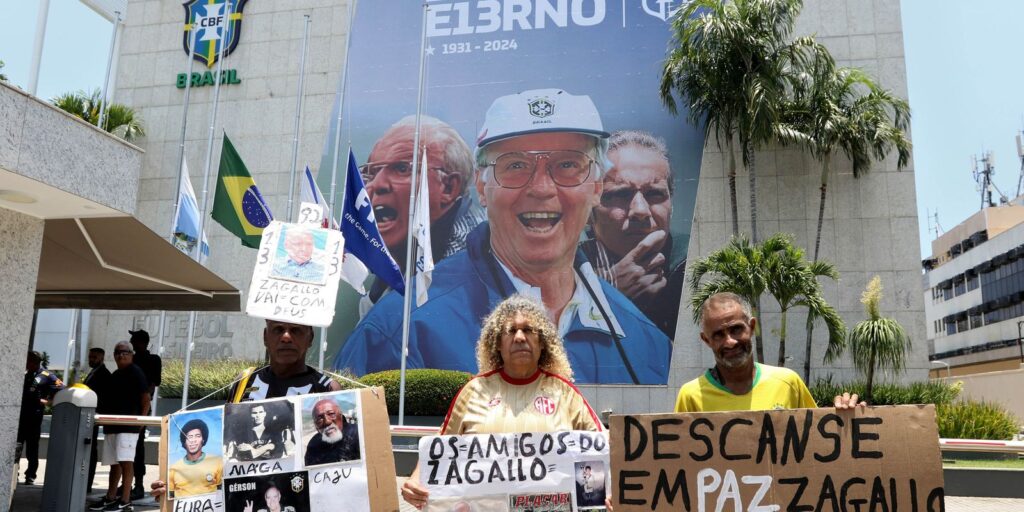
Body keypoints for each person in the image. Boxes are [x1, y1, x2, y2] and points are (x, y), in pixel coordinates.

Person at [338, 89, 671, 385]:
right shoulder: (400, 329)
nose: (542, 188)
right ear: (482, 187)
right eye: (515, 166)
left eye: (568, 165)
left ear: (596, 187)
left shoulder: (647, 346)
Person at [400, 295, 603, 509]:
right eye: (510, 331)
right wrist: (414, 481)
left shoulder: (565, 393)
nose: (519, 337)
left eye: (528, 330)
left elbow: (602, 448)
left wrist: (609, 492)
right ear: (497, 343)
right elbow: (439, 450)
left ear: (542, 342)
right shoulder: (474, 391)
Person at [152, 320, 341, 498]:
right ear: (265, 336)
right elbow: (223, 448)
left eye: (296, 330)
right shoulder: (244, 381)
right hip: (246, 500)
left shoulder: (327, 389)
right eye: (278, 329)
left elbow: (338, 463)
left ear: (310, 337)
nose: (286, 337)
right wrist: (179, 485)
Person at [357, 115, 486, 312]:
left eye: (401, 169)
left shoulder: (475, 271)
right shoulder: (397, 264)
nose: (377, 185)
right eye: (371, 173)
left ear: (449, 187)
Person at [676, 292, 864, 412]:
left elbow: (819, 444)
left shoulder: (788, 383)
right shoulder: (691, 396)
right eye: (718, 335)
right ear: (706, 340)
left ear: (752, 327)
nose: (730, 342)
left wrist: (847, 420)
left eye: (736, 329)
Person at [581, 130, 686, 337]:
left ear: (671, 205)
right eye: (620, 194)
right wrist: (607, 296)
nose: (640, 210)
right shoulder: (561, 271)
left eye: (655, 194)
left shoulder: (696, 266)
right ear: (588, 212)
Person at [89, 341, 150, 511]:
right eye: (117, 352)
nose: (121, 355)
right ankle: (110, 497)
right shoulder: (115, 374)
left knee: (126, 462)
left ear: (131, 354)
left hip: (128, 426)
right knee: (114, 464)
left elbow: (146, 399)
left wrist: (142, 422)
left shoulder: (136, 372)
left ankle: (125, 500)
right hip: (112, 425)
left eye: (125, 352)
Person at [18, 350, 64, 485]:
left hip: (34, 417)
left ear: (34, 362)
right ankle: (14, 471)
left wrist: (48, 401)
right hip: (21, 417)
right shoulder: (26, 374)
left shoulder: (46, 375)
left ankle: (30, 475)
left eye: (28, 361)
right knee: (17, 446)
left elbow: (62, 388)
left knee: (32, 447)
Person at [128, 329, 161, 500]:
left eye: (133, 340)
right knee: (125, 447)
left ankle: (138, 484)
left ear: (141, 342)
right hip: (128, 408)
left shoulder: (152, 360)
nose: (131, 342)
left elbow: (152, 385)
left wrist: (143, 405)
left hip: (140, 408)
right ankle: (126, 484)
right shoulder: (131, 360)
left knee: (137, 447)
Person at [167, 418, 223, 498]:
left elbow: (223, 493)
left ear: (203, 440)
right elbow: (169, 498)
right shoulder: (173, 469)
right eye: (189, 437)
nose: (193, 440)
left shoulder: (218, 462)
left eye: (197, 436)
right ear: (184, 441)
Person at [84, 347, 112, 492]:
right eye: (90, 357)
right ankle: (85, 482)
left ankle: (87, 483)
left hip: (93, 415)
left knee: (90, 450)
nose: (91, 359)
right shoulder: (94, 372)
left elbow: (104, 397)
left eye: (94, 357)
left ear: (101, 358)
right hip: (88, 416)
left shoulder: (103, 374)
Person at [226, 403, 292, 461]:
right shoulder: (243, 434)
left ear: (264, 414)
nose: (258, 415)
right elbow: (247, 455)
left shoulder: (274, 431)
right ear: (250, 415)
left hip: (273, 468)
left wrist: (254, 450)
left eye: (260, 412)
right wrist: (269, 446)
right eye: (254, 413)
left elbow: (278, 452)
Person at [304, 398, 360, 466]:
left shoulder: (358, 433)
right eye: (319, 418)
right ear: (316, 426)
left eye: (331, 414)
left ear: (341, 416)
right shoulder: (313, 446)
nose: (327, 421)